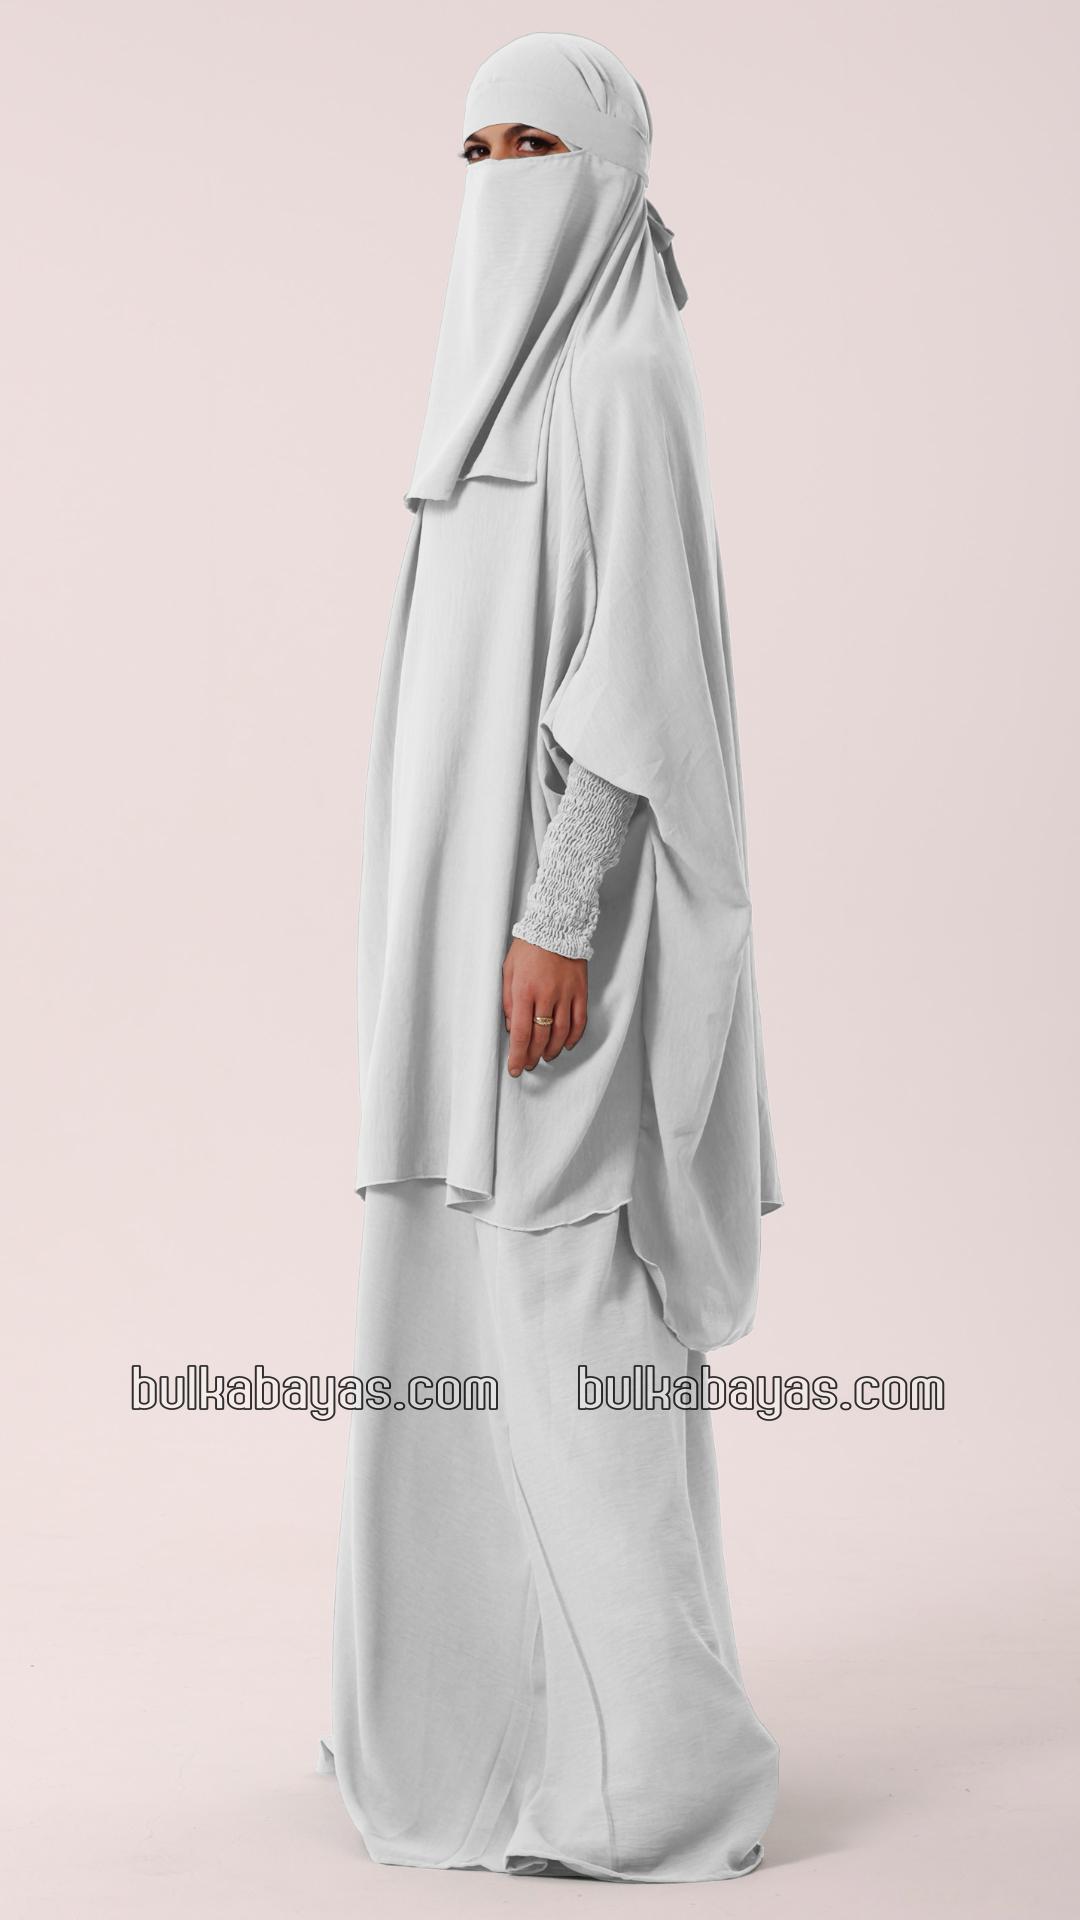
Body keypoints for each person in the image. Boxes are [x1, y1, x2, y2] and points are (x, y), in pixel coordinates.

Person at [317, 30, 784, 1883]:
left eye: (538, 144)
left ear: (613, 173)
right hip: (457, 951)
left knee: (581, 1350)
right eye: (477, 146)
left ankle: (661, 1780)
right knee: (453, 1334)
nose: (500, 179)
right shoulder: (493, 381)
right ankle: (457, 1728)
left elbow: (638, 685)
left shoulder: (621, 371)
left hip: (554, 962)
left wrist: (554, 916)